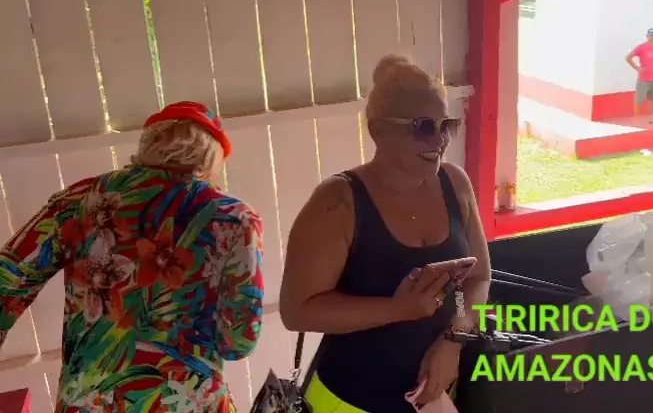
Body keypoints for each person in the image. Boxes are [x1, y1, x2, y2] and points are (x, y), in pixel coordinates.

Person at [0, 101, 264, 412]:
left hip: (91, 402)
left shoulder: (80, 199)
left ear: (149, 143)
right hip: (186, 402)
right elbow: (239, 342)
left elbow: (9, 279)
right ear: (212, 157)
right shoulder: (234, 218)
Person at [280, 54, 492, 412]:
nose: (440, 139)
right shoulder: (338, 202)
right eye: (424, 126)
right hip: (348, 401)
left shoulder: (455, 184)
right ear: (377, 130)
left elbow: (476, 278)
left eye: (446, 125)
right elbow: (297, 312)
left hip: (433, 401)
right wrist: (397, 309)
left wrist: (454, 338)